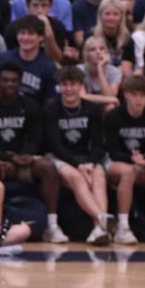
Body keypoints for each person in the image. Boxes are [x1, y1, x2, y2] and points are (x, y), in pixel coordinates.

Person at [0, 61, 69, 244]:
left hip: (23, 160)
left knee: (48, 167)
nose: (9, 84)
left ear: (20, 83)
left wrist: (21, 158)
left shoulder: (31, 106)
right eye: (5, 80)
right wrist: (8, 158)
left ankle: (52, 225)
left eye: (14, 81)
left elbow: (36, 139)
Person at [43, 66, 112, 245]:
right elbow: (55, 145)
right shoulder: (51, 109)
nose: (68, 89)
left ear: (81, 86)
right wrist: (77, 164)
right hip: (58, 157)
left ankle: (99, 230)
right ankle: (103, 219)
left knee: (98, 175)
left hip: (85, 158)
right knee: (77, 178)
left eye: (73, 84)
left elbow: (98, 143)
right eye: (64, 85)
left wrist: (90, 162)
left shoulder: (92, 109)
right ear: (59, 87)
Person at [103, 74, 145, 245]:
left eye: (143, 95)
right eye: (134, 95)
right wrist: (133, 160)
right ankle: (123, 227)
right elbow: (113, 151)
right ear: (126, 95)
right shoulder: (113, 117)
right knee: (128, 172)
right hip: (116, 161)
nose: (138, 100)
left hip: (142, 162)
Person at [0, 15, 59, 106]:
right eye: (22, 33)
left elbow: (51, 101)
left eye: (31, 33)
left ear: (41, 37)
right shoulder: (3, 59)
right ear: (17, 35)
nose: (26, 38)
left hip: (34, 115)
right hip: (4, 111)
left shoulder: (49, 67)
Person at [92, 0, 134, 81]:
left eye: (115, 14)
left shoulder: (127, 39)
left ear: (122, 17)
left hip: (119, 79)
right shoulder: (91, 36)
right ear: (100, 15)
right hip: (95, 76)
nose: (111, 18)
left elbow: (126, 70)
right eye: (107, 14)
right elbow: (88, 64)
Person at [78, 34, 122, 109]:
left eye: (101, 49)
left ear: (106, 52)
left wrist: (100, 69)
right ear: (86, 54)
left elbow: (110, 97)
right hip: (84, 108)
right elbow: (81, 96)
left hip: (103, 106)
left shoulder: (114, 72)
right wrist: (111, 99)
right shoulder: (79, 70)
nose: (98, 52)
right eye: (92, 49)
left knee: (110, 107)